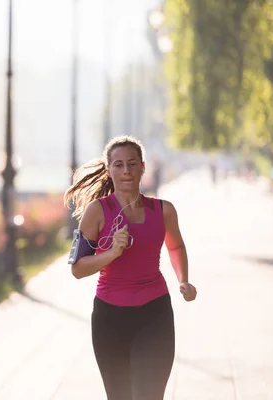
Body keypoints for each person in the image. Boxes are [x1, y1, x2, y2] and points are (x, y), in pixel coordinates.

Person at [64, 136, 197, 400]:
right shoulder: (97, 212)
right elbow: (77, 269)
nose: (126, 171)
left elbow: (175, 247)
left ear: (143, 167)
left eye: (132, 164)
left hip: (154, 314)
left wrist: (183, 279)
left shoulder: (164, 210)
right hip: (109, 319)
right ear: (109, 169)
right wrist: (111, 253)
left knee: (149, 395)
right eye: (119, 164)